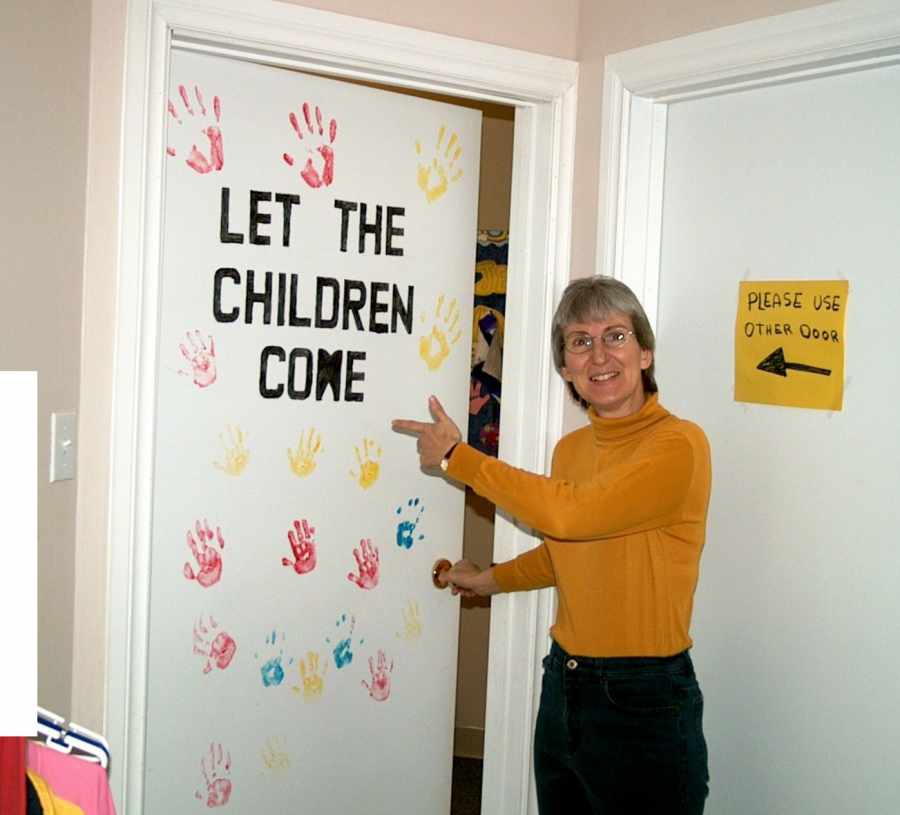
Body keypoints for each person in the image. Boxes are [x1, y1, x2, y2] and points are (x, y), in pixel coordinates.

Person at [392, 275, 711, 814]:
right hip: (566, 684)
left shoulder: (678, 445)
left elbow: (569, 514)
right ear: (565, 368)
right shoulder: (572, 449)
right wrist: (488, 579)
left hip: (645, 696)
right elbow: (570, 547)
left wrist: (458, 459)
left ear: (646, 351)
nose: (598, 355)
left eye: (615, 335)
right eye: (579, 342)